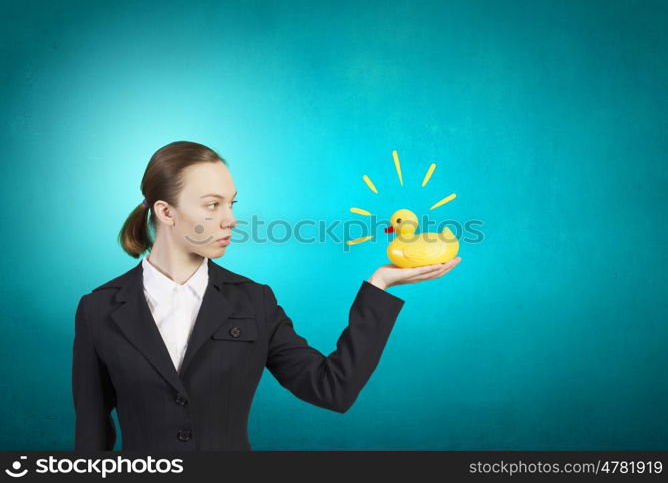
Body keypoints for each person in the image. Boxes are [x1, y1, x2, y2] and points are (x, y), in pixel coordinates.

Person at [71, 140, 462, 451]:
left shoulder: (254, 301)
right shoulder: (98, 309)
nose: (231, 219)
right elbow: (91, 439)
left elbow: (333, 389)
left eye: (231, 203)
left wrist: (379, 288)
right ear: (166, 212)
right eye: (212, 205)